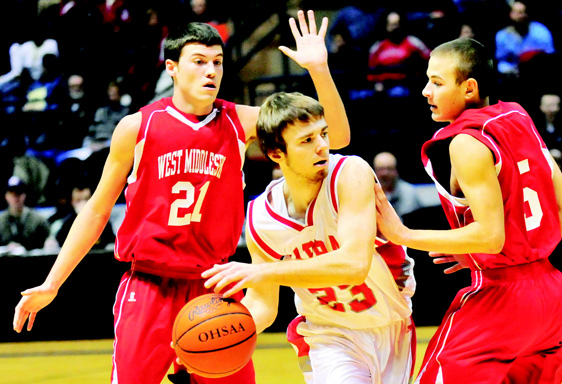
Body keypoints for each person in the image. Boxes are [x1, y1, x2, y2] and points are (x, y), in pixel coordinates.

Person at [13, 10, 350, 384]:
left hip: (215, 287)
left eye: (218, 62)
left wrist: (319, 70)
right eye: (199, 61)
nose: (211, 71)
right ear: (171, 67)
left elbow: (335, 136)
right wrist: (52, 282)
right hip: (149, 286)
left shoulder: (241, 121)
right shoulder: (138, 127)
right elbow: (96, 210)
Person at [374, 38, 562, 383]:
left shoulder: (466, 142)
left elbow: (490, 235)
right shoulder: (519, 117)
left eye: (437, 83)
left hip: (502, 300)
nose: (426, 91)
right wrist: (491, 249)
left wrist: (402, 234)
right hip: (555, 299)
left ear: (469, 88)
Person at [202, 92, 416, 384]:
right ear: (277, 154)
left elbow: (354, 264)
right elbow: (263, 304)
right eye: (307, 140)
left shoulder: (349, 173)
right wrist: (211, 336)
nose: (323, 147)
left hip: (390, 325)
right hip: (327, 334)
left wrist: (261, 271)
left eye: (323, 134)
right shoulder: (261, 216)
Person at [495, 1, 554, 78]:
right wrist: (510, 71)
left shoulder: (541, 31)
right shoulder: (502, 36)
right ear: (511, 14)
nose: (522, 16)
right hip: (514, 76)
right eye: (519, 13)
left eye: (524, 12)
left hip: (540, 73)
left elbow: (551, 55)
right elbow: (502, 61)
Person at [373, 151, 438, 220]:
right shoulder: (369, 193)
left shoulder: (409, 193)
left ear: (396, 171)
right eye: (380, 169)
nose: (384, 174)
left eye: (389, 169)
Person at [0, 176, 50, 254]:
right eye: (12, 194)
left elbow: (49, 238)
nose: (15, 198)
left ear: (24, 195)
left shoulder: (37, 219)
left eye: (18, 194)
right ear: (6, 196)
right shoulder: (1, 220)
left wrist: (50, 242)